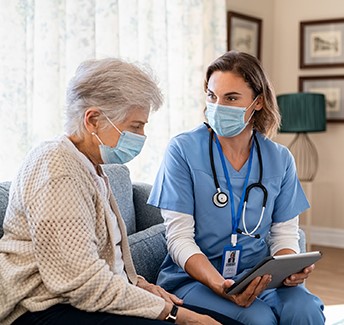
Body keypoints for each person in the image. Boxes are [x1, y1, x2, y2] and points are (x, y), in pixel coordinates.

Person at [0, 58, 240, 325]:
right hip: (41, 309)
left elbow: (105, 260)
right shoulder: (57, 169)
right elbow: (81, 283)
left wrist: (138, 284)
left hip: (85, 301)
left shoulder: (91, 166)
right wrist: (175, 314)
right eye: (135, 126)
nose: (142, 136)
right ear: (93, 120)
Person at [148, 51, 326, 325]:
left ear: (258, 102)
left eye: (231, 98)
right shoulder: (183, 150)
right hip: (197, 281)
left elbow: (284, 235)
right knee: (258, 319)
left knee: (305, 310)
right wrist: (222, 286)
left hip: (259, 277)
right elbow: (179, 239)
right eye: (212, 96)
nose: (218, 106)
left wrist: (289, 268)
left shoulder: (279, 159)